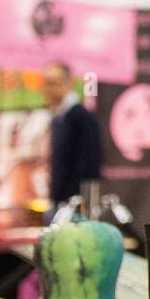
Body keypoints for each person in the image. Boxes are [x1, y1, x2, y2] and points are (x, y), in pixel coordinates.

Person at [42, 61, 102, 211]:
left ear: (68, 84)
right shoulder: (59, 118)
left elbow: (89, 165)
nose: (46, 89)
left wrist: (73, 203)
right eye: (45, 83)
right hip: (62, 204)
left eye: (52, 83)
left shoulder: (81, 118)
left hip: (74, 208)